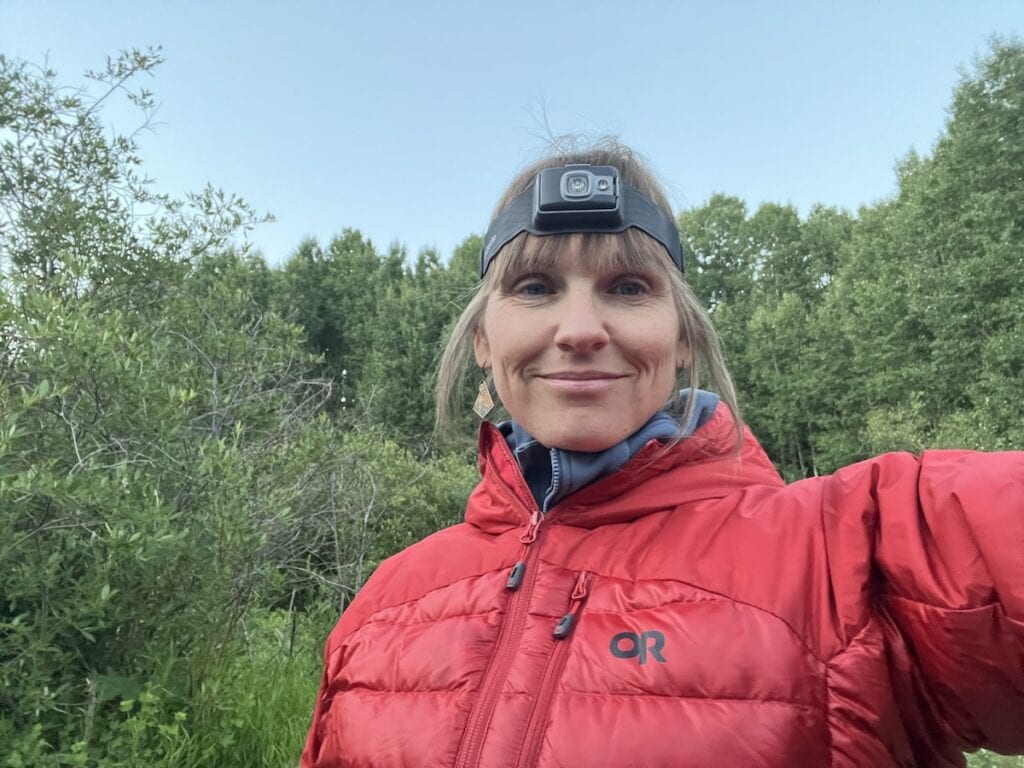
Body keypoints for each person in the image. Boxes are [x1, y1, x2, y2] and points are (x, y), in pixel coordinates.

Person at [301, 141, 1023, 767]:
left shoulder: (845, 554)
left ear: (681, 340)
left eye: (626, 287)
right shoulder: (386, 603)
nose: (580, 328)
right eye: (535, 287)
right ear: (485, 340)